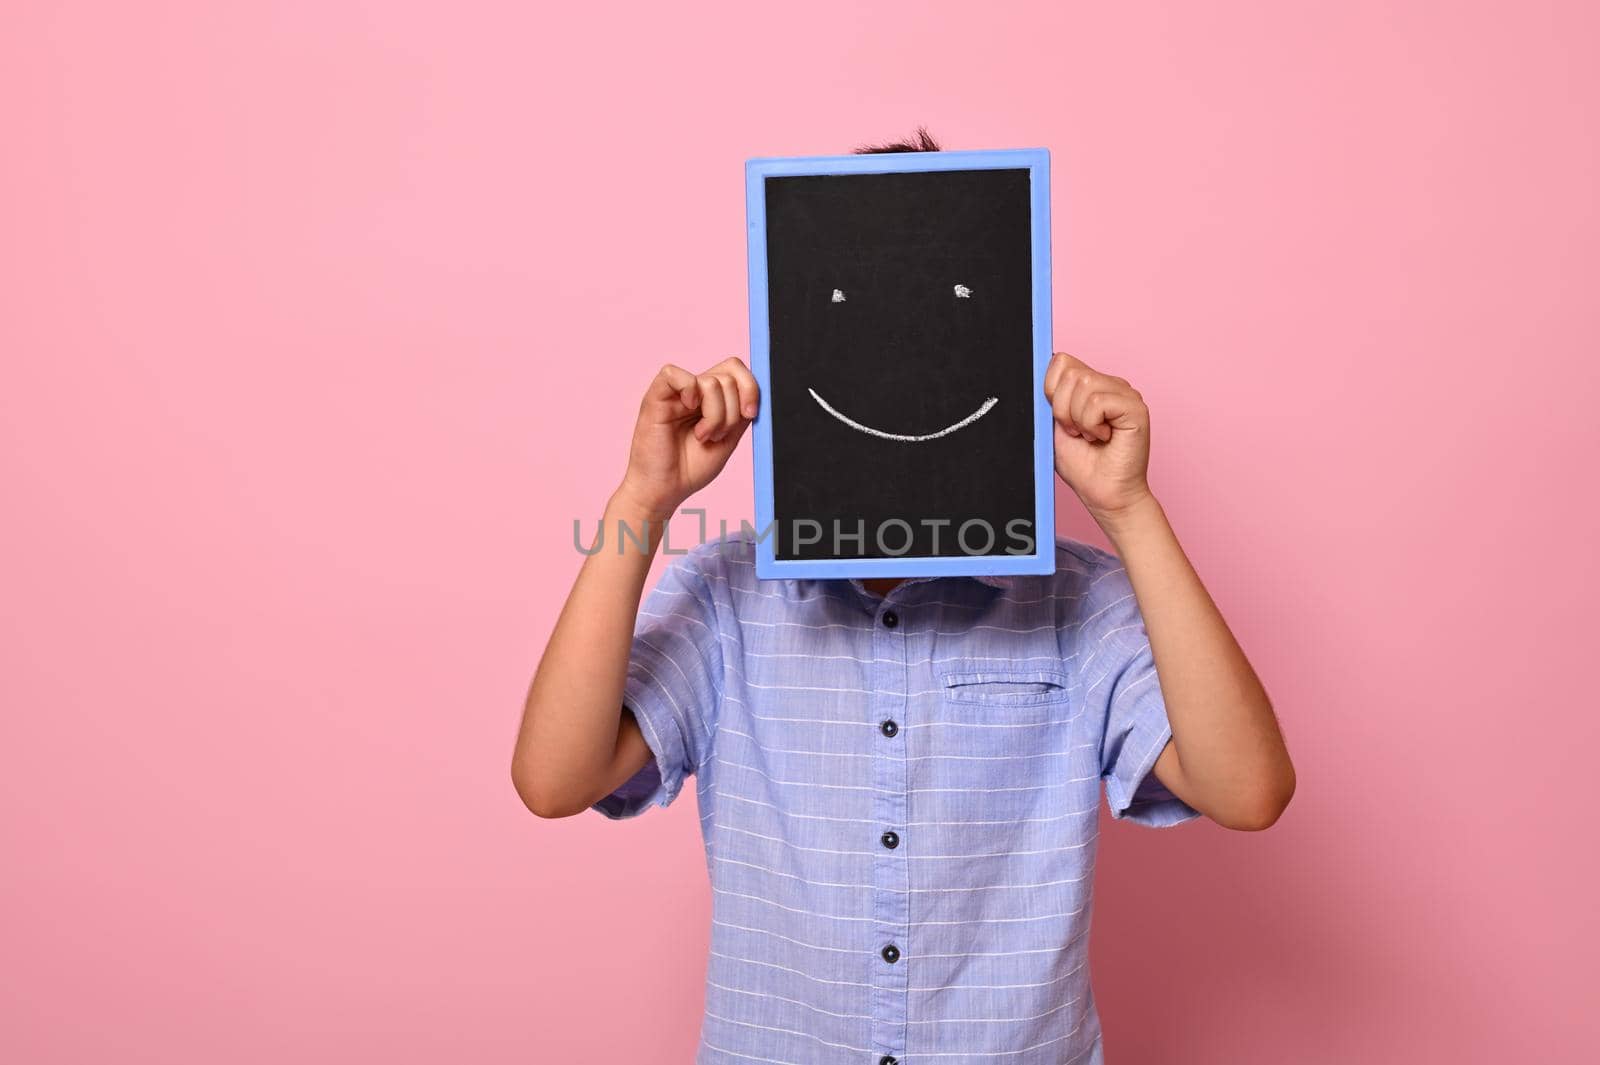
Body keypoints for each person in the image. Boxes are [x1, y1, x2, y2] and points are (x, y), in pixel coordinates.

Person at [512, 132, 1295, 1064]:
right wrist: (641, 499)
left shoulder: (1076, 605)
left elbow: (1247, 791)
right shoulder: (728, 598)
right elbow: (554, 780)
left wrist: (1127, 507)